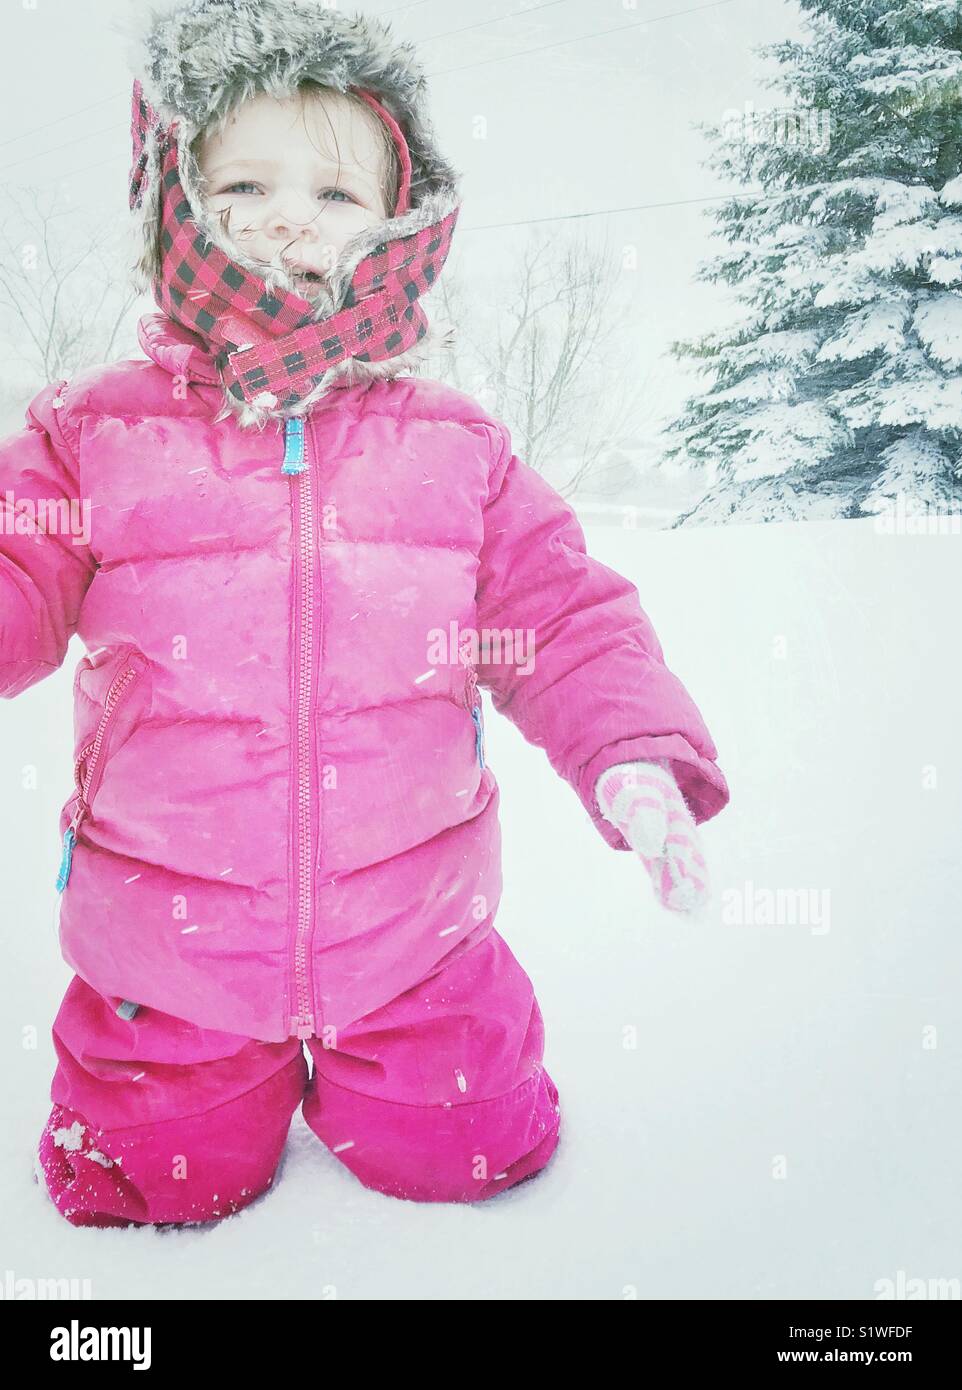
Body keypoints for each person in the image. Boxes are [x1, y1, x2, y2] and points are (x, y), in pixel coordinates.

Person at [1, 0, 730, 1226]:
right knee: (138, 1187)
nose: (290, 216)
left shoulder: (453, 448)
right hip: (166, 950)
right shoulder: (93, 432)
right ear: (173, 202)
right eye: (242, 179)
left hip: (416, 935)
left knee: (479, 1156)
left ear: (400, 220)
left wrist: (630, 751)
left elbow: (559, 614)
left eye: (336, 194)